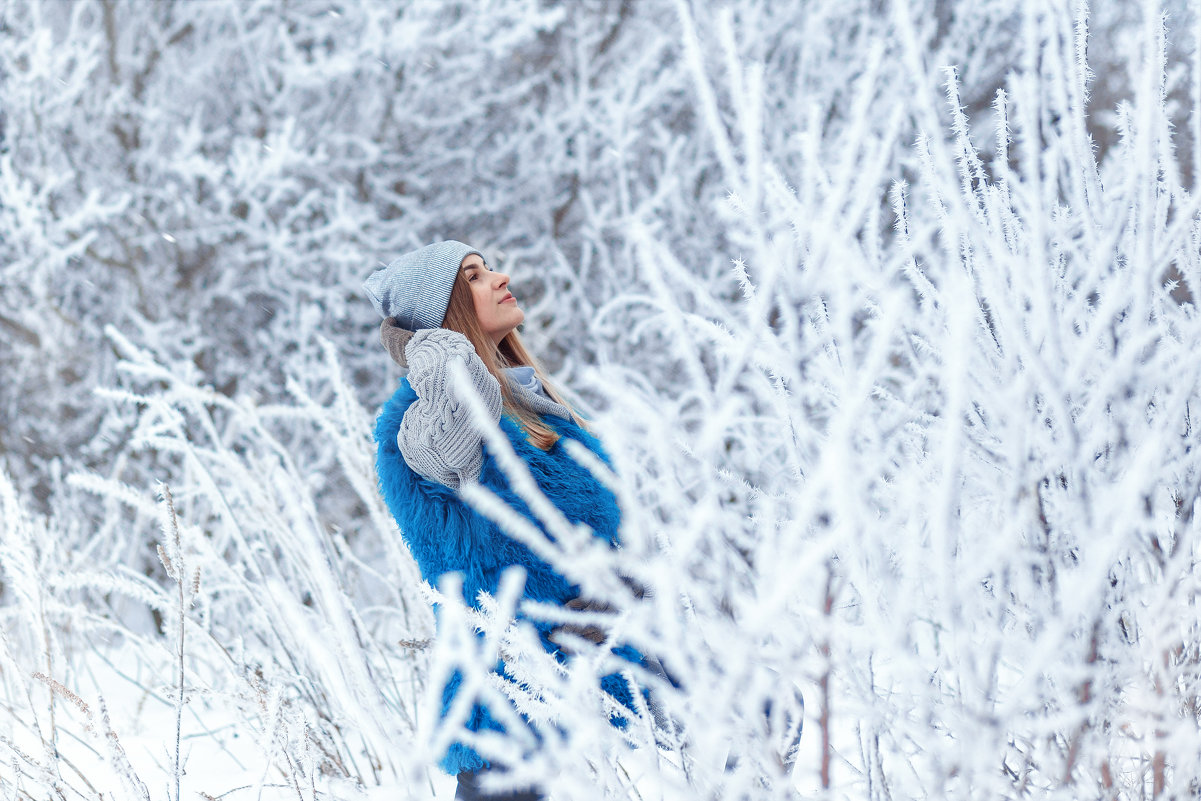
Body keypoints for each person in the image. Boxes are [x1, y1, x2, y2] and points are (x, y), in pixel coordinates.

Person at [364, 241, 641, 801]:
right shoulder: (425, 423)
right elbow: (458, 412)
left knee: (763, 712)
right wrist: (428, 341)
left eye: (488, 268)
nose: (499, 277)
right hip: (508, 712)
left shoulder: (534, 409)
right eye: (473, 276)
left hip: (598, 681)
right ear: (445, 311)